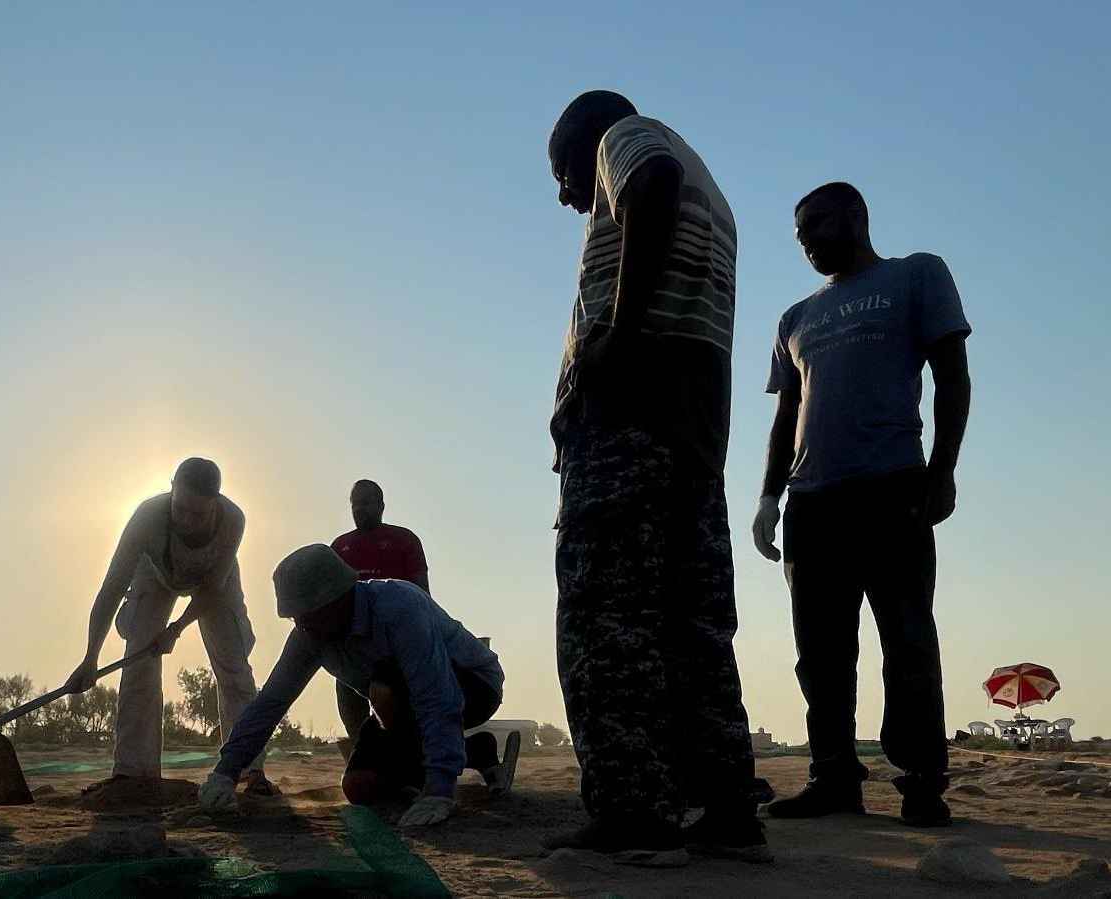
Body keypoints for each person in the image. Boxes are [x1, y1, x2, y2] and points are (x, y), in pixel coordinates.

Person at [545, 89, 765, 866]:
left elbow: (652, 182)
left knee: (606, 617)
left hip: (629, 425)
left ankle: (634, 809)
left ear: (586, 137)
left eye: (561, 171)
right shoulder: (714, 190)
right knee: (692, 624)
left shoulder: (629, 139)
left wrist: (614, 336)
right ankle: (726, 810)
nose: (565, 195)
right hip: (691, 430)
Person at [754, 182, 971, 828]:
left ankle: (921, 780)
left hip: (892, 487)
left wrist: (942, 471)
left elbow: (953, 376)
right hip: (811, 502)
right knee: (819, 652)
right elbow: (786, 415)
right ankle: (832, 777)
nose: (808, 242)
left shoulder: (916, 275)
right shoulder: (795, 318)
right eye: (799, 235)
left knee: (907, 638)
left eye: (817, 225)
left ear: (856, 215)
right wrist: (768, 496)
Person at [197, 544, 512, 827]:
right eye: (296, 618)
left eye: (310, 615)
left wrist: (439, 790)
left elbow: (436, 695)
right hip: (398, 708)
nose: (302, 626)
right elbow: (271, 702)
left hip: (471, 685)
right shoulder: (309, 634)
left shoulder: (400, 607)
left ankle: (444, 765)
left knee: (385, 687)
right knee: (360, 786)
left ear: (339, 599)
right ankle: (476, 750)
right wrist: (226, 772)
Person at [62, 458, 272, 794]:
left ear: (215, 503)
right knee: (138, 661)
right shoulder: (147, 517)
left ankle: (249, 769)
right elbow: (112, 587)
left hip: (215, 582)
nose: (187, 521)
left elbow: (211, 589)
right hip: (155, 574)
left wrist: (176, 629)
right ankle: (134, 772)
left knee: (234, 668)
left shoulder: (233, 519)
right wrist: (90, 658)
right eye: (180, 509)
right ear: (172, 489)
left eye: (198, 514)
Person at [330, 479, 430, 741]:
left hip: (396, 645)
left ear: (381, 506)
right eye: (354, 504)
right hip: (352, 645)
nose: (359, 509)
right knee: (351, 706)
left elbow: (422, 595)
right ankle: (362, 752)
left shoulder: (404, 540)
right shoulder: (339, 547)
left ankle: (405, 753)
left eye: (365, 503)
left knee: (399, 712)